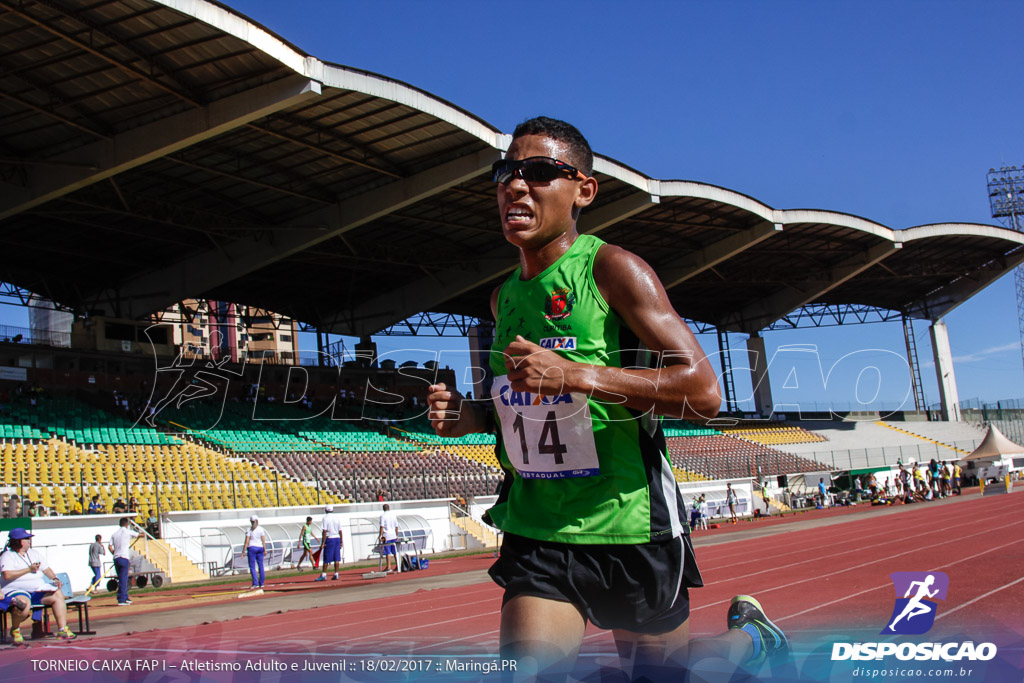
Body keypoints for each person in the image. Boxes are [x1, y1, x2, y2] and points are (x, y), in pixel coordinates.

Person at [426, 117, 788, 680]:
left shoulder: (613, 270)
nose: (516, 186)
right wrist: (469, 415)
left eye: (540, 172)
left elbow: (703, 391)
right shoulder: (503, 300)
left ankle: (749, 640)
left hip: (629, 523)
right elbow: (517, 406)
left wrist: (578, 375)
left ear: (583, 191)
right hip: (538, 529)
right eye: (506, 172)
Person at [1, 528, 76, 642]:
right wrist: (28, 570)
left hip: (37, 589)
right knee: (23, 605)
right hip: (17, 590)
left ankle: (62, 629)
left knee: (57, 595)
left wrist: (54, 578)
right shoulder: (8, 555)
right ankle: (15, 629)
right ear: (19, 541)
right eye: (26, 539)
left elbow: (46, 569)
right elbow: (7, 575)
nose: (29, 541)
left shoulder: (34, 553)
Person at [108, 517, 137, 606]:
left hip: (116, 558)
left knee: (121, 578)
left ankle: (124, 596)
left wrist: (114, 553)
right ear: (127, 524)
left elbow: (109, 546)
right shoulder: (127, 531)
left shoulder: (114, 534)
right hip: (124, 558)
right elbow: (139, 534)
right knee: (123, 579)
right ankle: (121, 599)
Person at [316, 504, 342, 582]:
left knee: (326, 558)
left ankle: (324, 574)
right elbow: (340, 531)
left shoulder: (325, 518)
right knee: (336, 557)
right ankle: (336, 573)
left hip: (330, 538)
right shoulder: (337, 518)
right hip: (337, 538)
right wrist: (341, 541)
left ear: (326, 510)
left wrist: (323, 542)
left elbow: (324, 531)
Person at [244, 515, 267, 591]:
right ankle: (262, 583)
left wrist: (243, 551)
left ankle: (255, 583)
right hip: (260, 547)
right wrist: (265, 549)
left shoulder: (249, 530)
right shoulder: (261, 529)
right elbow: (263, 540)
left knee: (252, 566)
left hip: (252, 547)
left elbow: (247, 541)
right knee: (261, 565)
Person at [378, 504, 399, 572]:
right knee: (395, 552)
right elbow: (396, 526)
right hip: (393, 535)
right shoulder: (393, 515)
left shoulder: (382, 516)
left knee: (388, 552)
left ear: (383, 509)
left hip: (387, 536)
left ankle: (389, 567)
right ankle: (398, 565)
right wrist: (397, 535)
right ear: (389, 508)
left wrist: (380, 535)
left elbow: (382, 526)